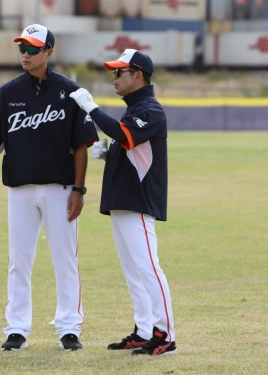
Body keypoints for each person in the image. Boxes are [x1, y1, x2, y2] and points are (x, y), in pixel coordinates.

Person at [0, 23, 98, 352]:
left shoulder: (70, 91)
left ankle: (69, 328)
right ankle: (16, 329)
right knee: (19, 260)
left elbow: (82, 145)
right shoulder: (7, 93)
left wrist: (79, 190)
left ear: (49, 52)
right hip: (21, 189)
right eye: (22, 48)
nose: (25, 54)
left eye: (32, 49)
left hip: (60, 189)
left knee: (65, 259)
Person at [69, 49, 177, 356]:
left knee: (148, 268)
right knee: (134, 271)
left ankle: (166, 336)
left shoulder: (150, 109)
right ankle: (144, 330)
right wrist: (112, 153)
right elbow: (129, 144)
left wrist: (91, 108)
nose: (114, 78)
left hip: (138, 202)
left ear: (138, 75)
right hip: (123, 201)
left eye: (119, 72)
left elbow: (125, 134)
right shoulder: (135, 109)